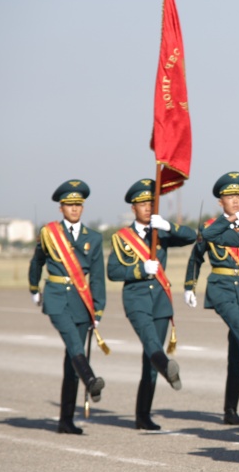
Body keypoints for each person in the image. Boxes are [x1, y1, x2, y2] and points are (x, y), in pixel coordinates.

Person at [184, 172, 239, 426]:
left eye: (238, 196)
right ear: (220, 201)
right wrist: (190, 285)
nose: (235, 201)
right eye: (229, 196)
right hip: (221, 288)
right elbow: (196, 257)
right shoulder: (212, 228)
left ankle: (230, 410)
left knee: (237, 352)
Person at [107, 179, 197, 430]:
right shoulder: (121, 238)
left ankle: (142, 415)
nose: (147, 207)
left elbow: (191, 236)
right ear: (133, 208)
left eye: (151, 203)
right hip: (136, 299)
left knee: (150, 362)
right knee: (151, 344)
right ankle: (168, 367)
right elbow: (112, 271)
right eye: (142, 204)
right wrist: (139, 269)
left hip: (160, 301)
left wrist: (168, 225)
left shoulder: (161, 233)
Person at [28, 180, 106, 434]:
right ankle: (91, 378)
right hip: (56, 297)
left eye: (78, 204)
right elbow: (37, 261)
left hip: (82, 301)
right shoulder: (50, 234)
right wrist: (33, 287)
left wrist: (98, 309)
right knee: (74, 343)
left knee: (72, 361)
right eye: (69, 204)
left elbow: (96, 276)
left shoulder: (93, 238)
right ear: (61, 208)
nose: (74, 209)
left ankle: (66, 420)